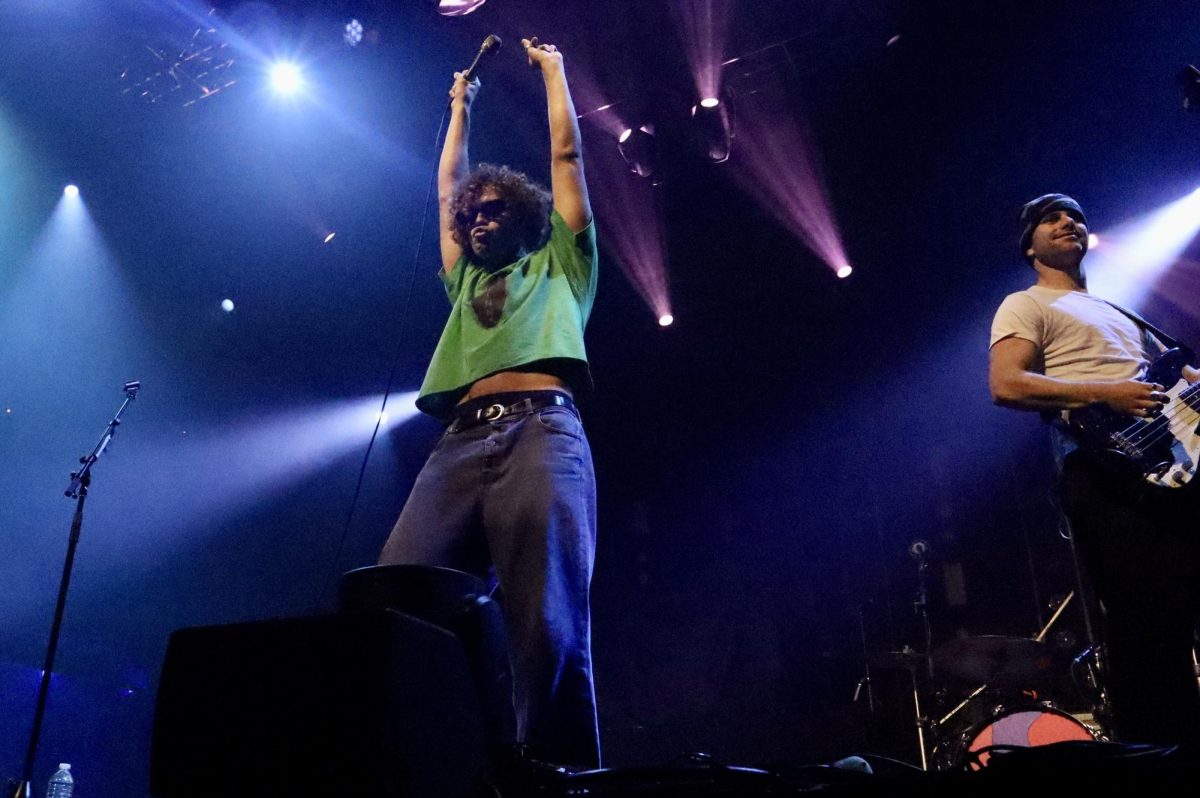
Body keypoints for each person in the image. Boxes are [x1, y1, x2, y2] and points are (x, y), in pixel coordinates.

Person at [378, 37, 600, 768]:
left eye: (494, 210)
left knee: (547, 625)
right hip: (458, 444)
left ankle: (557, 778)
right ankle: (448, 763)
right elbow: (447, 190)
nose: (477, 218)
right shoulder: (465, 283)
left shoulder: (561, 261)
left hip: (542, 433)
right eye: (474, 214)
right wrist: (458, 109)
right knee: (400, 600)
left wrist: (553, 71)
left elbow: (567, 160)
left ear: (526, 219)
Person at [988, 193, 1200, 747]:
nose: (1068, 223)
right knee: (1140, 621)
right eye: (1050, 218)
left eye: (1075, 216)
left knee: (1180, 615)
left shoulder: (1120, 309)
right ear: (1028, 243)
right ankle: (1155, 750)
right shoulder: (1024, 304)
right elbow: (1006, 383)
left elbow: (1181, 381)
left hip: (1173, 471)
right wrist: (1108, 391)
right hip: (1106, 472)